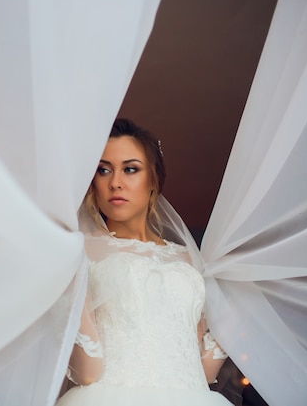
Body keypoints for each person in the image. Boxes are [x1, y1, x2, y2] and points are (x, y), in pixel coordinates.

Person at [56, 118, 232, 406]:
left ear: (153, 180)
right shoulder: (80, 252)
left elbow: (197, 370)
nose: (115, 183)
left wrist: (228, 331)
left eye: (130, 169)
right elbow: (87, 372)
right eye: (103, 170)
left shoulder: (187, 258)